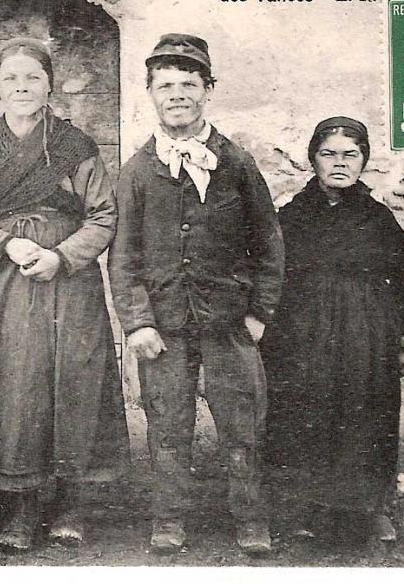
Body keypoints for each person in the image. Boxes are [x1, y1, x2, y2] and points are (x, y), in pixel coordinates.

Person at [0, 38, 128, 551]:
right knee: (12, 384)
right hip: (1, 281)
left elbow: (103, 215)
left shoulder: (77, 147)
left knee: (73, 378)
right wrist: (7, 244)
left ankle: (71, 502)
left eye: (32, 78)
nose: (22, 88)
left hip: (67, 282)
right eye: (11, 80)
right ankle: (19, 506)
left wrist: (62, 256)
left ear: (49, 83)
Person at [108, 33, 285, 555]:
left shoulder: (237, 164)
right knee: (166, 422)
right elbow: (123, 255)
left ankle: (251, 519)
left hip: (230, 322)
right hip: (163, 324)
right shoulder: (138, 171)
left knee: (242, 422)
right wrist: (137, 321)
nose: (178, 94)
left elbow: (269, 244)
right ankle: (169, 518)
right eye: (166, 85)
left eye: (189, 83)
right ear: (151, 93)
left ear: (208, 90)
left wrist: (258, 314)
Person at [261, 116, 404, 547]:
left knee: (367, 417)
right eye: (328, 154)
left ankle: (368, 509)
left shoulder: (378, 218)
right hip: (303, 337)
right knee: (302, 414)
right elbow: (269, 272)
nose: (339, 163)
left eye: (350, 155)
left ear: (363, 160)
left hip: (366, 338)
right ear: (313, 158)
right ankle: (299, 509)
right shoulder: (292, 217)